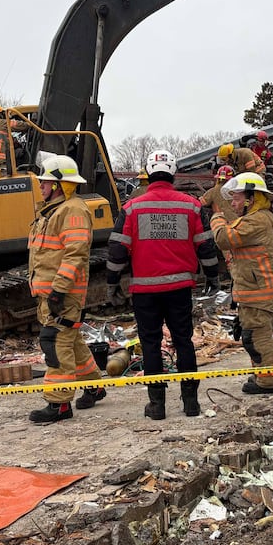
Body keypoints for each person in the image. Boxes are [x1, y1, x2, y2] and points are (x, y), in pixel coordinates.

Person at [106, 150, 220, 420]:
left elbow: (117, 250)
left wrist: (112, 283)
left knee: (150, 344)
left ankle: (157, 406)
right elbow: (206, 245)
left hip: (145, 291)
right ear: (173, 172)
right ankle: (191, 403)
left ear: (147, 172)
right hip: (180, 288)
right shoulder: (191, 206)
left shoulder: (132, 207)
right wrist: (213, 276)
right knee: (184, 342)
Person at [27, 154, 107, 423]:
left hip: (62, 293)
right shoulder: (53, 211)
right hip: (51, 292)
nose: (41, 186)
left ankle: (59, 403)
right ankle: (94, 386)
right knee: (71, 342)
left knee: (56, 343)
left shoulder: (72, 210)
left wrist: (59, 291)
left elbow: (75, 254)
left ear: (60, 185)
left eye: (45, 182)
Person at [210, 173, 273, 394]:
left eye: (237, 198)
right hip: (257, 292)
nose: (233, 203)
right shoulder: (262, 218)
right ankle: (261, 374)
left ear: (251, 197)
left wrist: (216, 218)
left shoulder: (256, 220)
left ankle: (269, 382)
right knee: (253, 336)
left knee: (257, 338)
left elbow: (224, 238)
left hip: (258, 295)